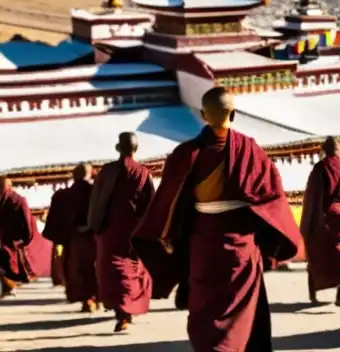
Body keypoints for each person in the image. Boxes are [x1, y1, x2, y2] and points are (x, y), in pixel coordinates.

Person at [133, 86, 301, 352]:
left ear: (203, 115)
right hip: (241, 244)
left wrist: (167, 237)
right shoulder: (250, 149)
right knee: (244, 309)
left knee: (206, 307)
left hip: (204, 242)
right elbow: (271, 195)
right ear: (232, 114)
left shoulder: (185, 154)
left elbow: (166, 203)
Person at [89, 132, 155, 333]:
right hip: (133, 228)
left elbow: (96, 200)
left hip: (109, 228)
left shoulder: (106, 171)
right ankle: (128, 310)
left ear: (118, 148)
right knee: (133, 268)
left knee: (112, 270)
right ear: (136, 149)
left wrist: (95, 224)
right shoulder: (143, 172)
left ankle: (121, 312)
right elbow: (150, 203)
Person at [300, 135, 340, 307]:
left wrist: (308, 223)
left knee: (320, 253)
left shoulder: (321, 167)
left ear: (324, 150)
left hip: (328, 219)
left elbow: (313, 196)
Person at [41, 163, 97, 312]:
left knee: (76, 270)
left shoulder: (63, 196)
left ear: (74, 176)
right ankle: (94, 298)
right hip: (94, 238)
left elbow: (56, 220)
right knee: (93, 268)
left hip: (73, 239)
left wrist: (61, 235)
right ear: (90, 174)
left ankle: (86, 300)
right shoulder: (95, 193)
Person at [0, 175, 39, 299]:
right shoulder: (19, 200)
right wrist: (26, 238)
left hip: (8, 240)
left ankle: (9, 286)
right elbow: (27, 222)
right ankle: (9, 285)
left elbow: (27, 221)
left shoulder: (17, 200)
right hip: (13, 240)